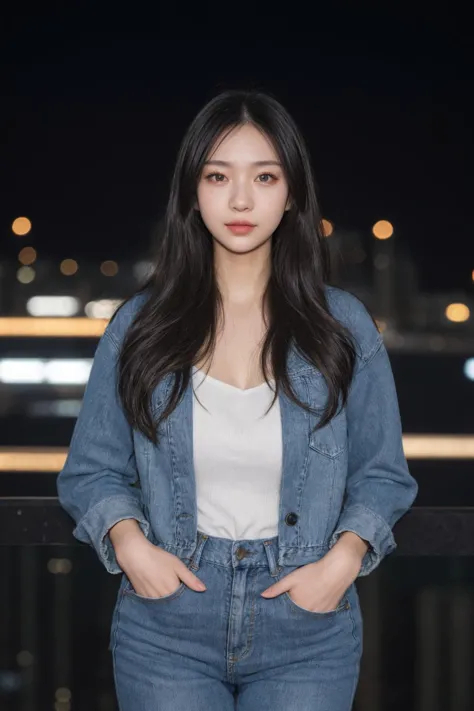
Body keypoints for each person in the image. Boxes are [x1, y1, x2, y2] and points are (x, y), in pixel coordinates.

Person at [57, 89, 418, 711]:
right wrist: (131, 546)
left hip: (307, 626)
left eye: (265, 176)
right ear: (192, 193)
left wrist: (340, 564)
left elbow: (382, 474)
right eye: (218, 176)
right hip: (167, 624)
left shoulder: (344, 325)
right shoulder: (141, 325)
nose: (241, 199)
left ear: (293, 192)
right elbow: (92, 469)